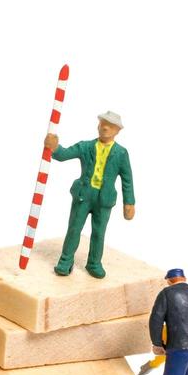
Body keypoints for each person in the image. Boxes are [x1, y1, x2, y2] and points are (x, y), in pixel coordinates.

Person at [44, 111, 135, 278]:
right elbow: (64, 155)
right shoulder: (85, 146)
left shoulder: (121, 153)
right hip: (83, 196)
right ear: (98, 125)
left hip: (104, 199)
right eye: (103, 124)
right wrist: (54, 147)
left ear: (117, 131)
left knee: (99, 233)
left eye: (111, 126)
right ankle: (65, 260)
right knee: (74, 228)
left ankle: (94, 262)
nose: (106, 128)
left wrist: (129, 202)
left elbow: (127, 180)